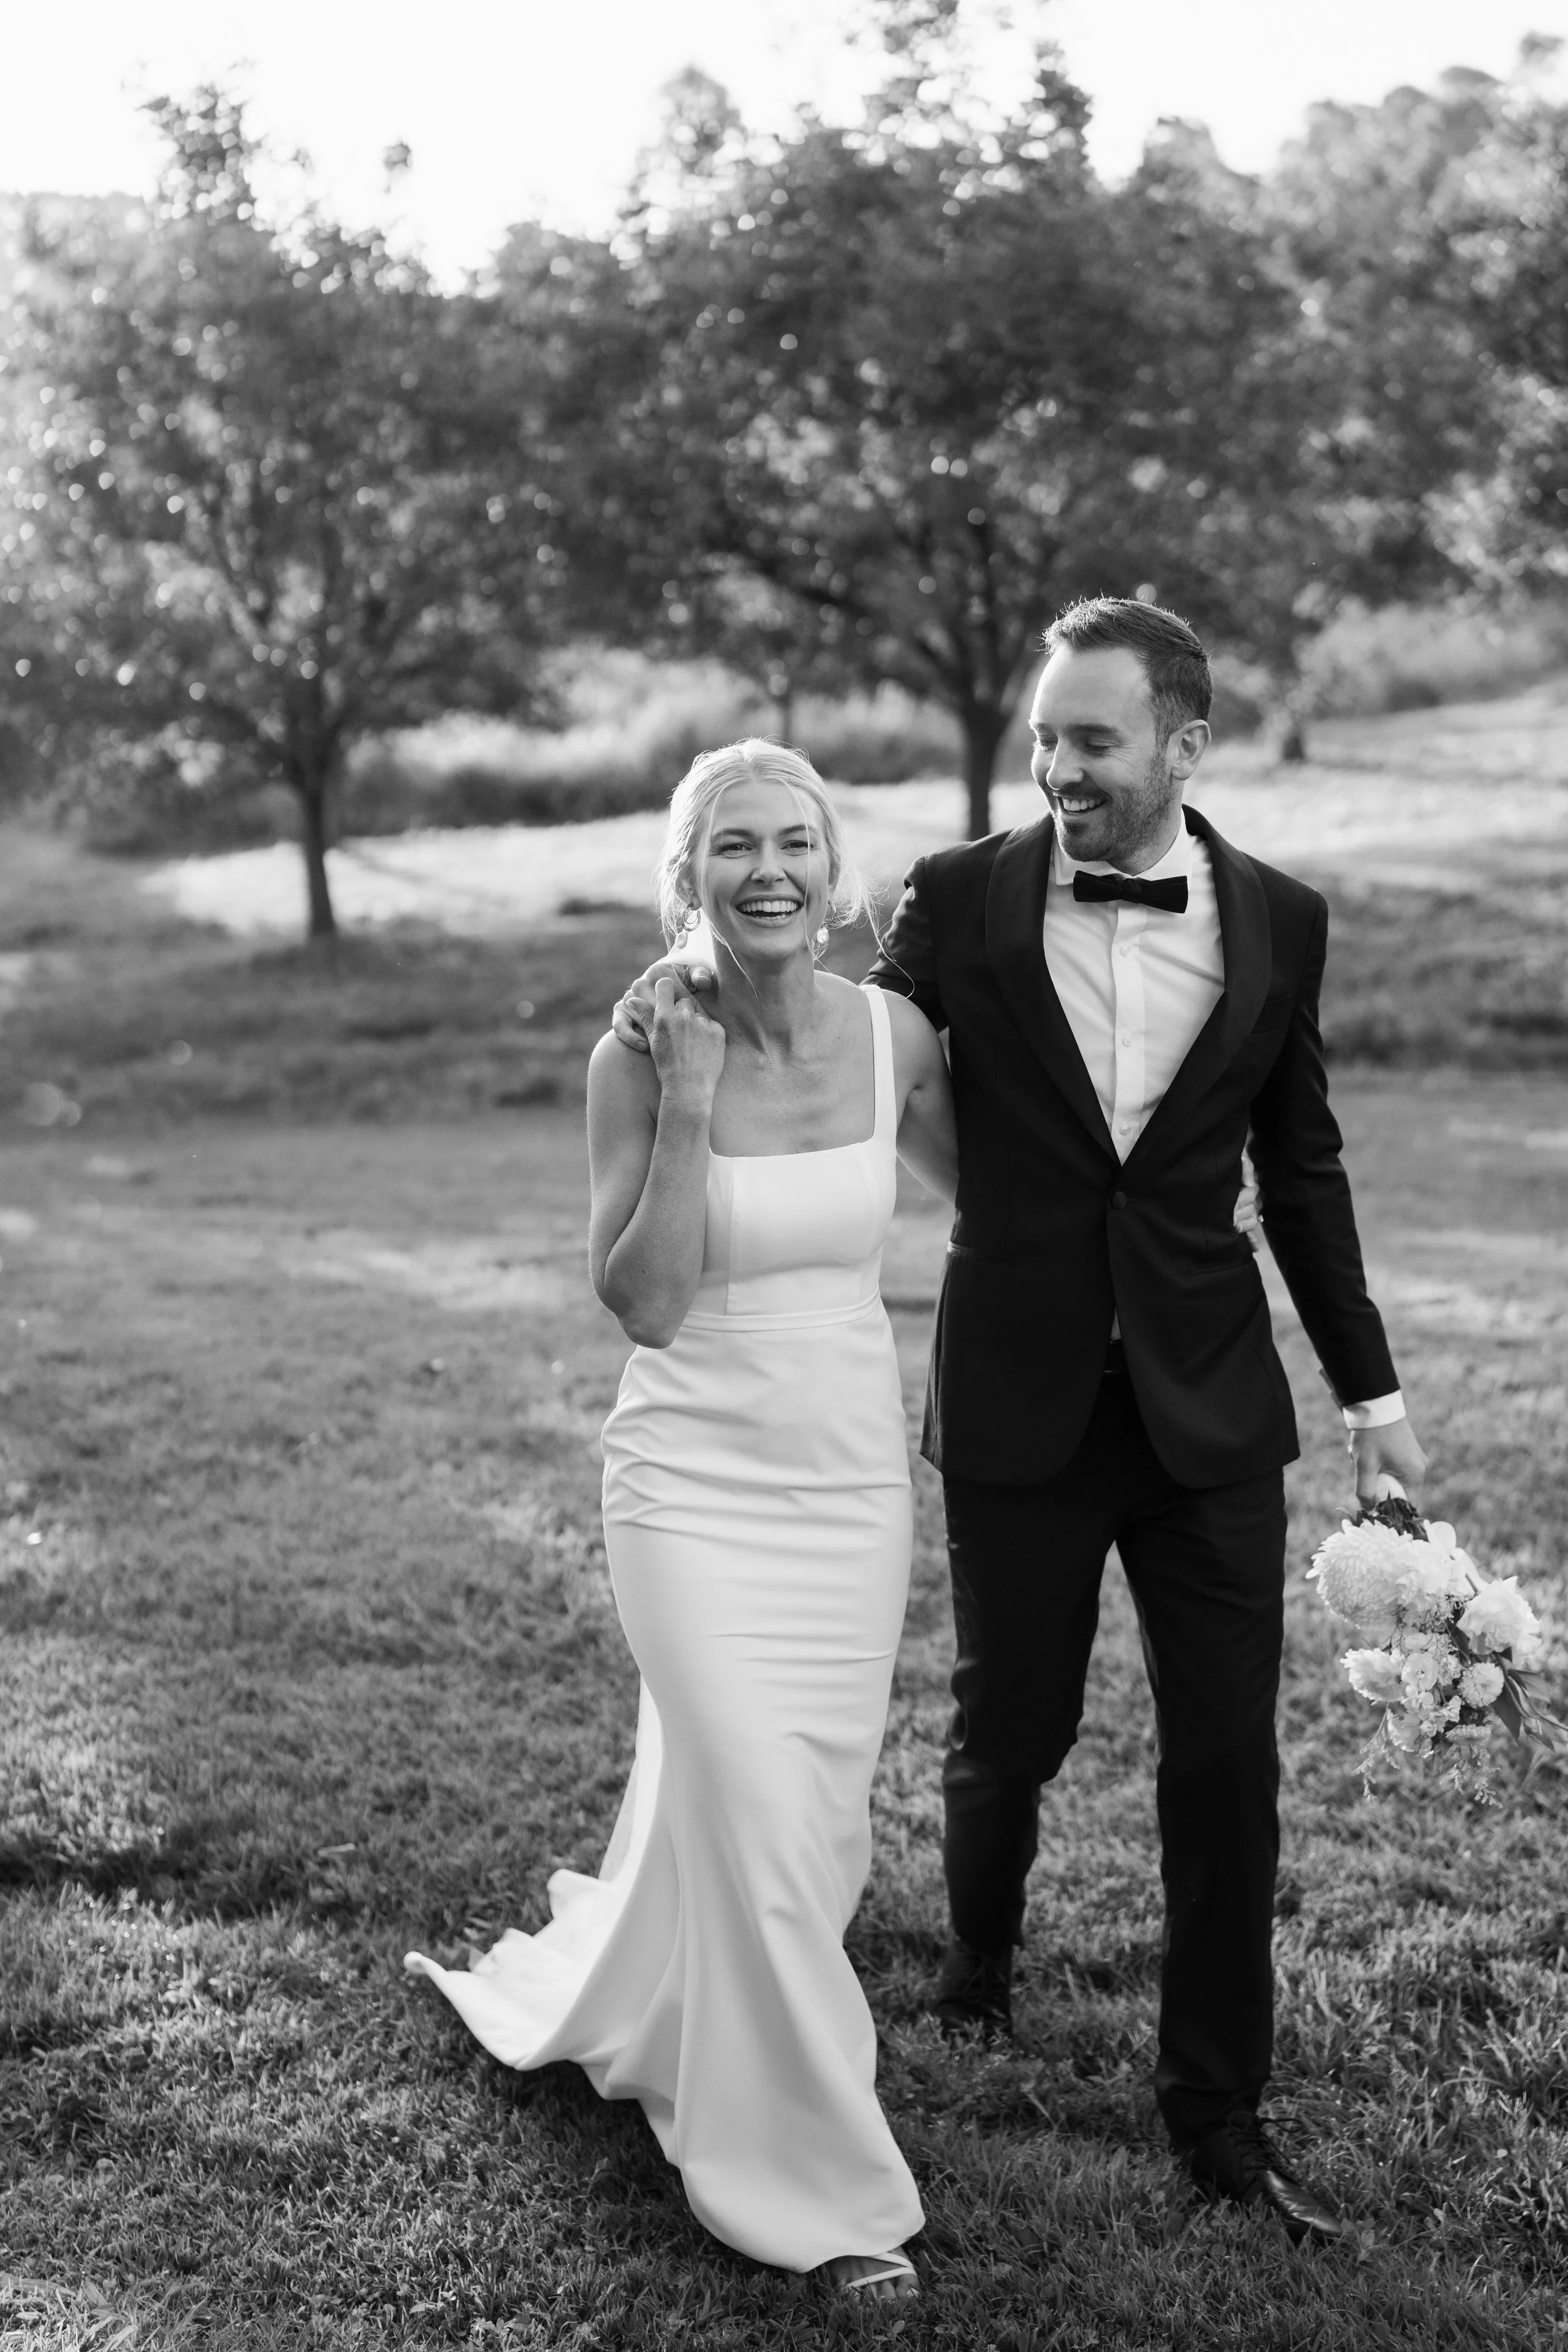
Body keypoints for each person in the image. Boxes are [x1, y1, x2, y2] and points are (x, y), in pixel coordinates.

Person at [615, 598, 1428, 2245]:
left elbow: (1307, 1173)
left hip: (1210, 1408)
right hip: (1015, 1394)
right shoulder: (961, 898)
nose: (1055, 764)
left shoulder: (1278, 919)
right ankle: (977, 1949)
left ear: (1180, 749)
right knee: (1010, 1725)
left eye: (1090, 740)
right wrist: (686, 977)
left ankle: (1216, 2109)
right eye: (1045, 737)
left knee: (1223, 1762)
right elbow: (835, 1028)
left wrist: (1373, 1395)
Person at [407, 740, 956, 2302]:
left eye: (795, 841)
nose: (767, 870)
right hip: (688, 1485)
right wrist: (697, 1099)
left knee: (810, 1819)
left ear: (833, 870)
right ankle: (825, 2202)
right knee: (749, 1799)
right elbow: (644, 1306)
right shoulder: (637, 1054)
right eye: (733, 846)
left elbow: (1005, 1197)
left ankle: (681, 2015)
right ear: (687, 875)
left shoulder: (896, 1035)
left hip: (846, 1480)